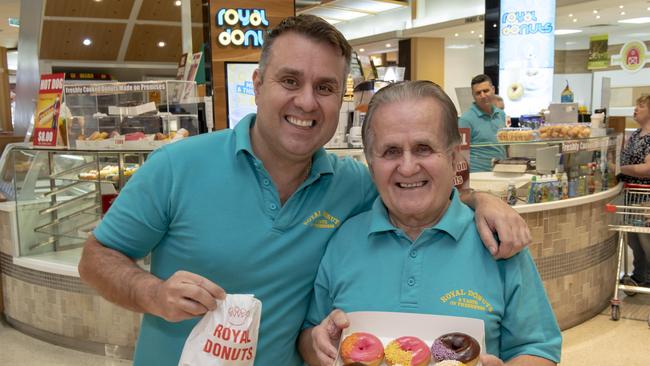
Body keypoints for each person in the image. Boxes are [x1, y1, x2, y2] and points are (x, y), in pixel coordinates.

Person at [78, 15, 531, 366]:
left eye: (326, 87)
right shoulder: (177, 167)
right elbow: (97, 258)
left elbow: (414, 187)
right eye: (290, 81)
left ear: (340, 102)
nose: (307, 101)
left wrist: (481, 200)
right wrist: (152, 294)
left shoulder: (351, 183)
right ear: (257, 85)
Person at [299, 81, 561, 366]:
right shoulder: (343, 240)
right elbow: (310, 336)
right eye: (390, 151)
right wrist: (316, 344)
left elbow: (538, 348)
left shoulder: (498, 243)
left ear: (453, 156)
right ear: (371, 164)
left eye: (423, 149)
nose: (408, 167)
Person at [619, 94, 650, 287]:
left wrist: (621, 169)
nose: (635, 109)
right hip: (631, 196)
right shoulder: (636, 135)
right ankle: (640, 275)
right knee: (633, 239)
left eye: (641, 106)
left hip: (646, 196)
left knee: (645, 239)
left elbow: (647, 169)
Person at [459, 74, 507, 172]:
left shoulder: (501, 114)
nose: (483, 96)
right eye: (478, 93)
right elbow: (460, 155)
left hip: (501, 172)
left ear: (493, 89)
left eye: (486, 91)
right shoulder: (465, 120)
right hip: (477, 177)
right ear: (473, 95)